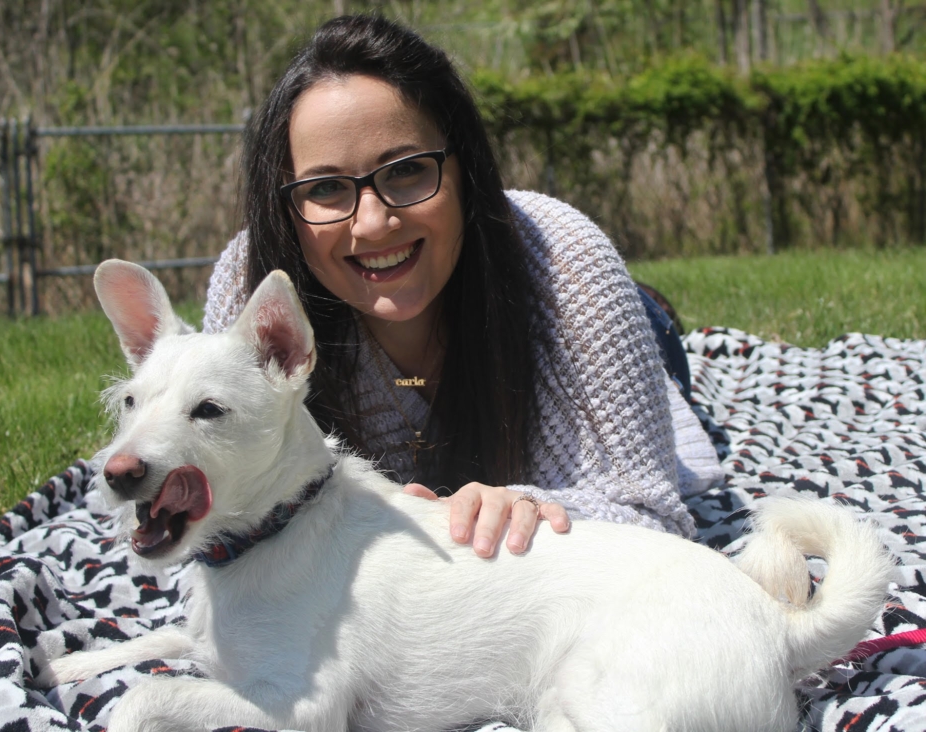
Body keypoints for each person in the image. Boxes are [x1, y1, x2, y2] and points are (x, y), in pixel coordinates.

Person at [203, 14, 723, 558]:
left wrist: (535, 508)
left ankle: (651, 311)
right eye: (328, 187)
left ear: (463, 169)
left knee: (647, 331)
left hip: (612, 322)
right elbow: (222, 524)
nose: (373, 222)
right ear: (284, 207)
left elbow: (654, 516)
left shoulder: (570, 266)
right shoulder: (254, 292)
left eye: (405, 170)